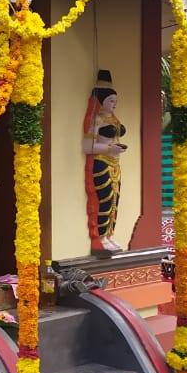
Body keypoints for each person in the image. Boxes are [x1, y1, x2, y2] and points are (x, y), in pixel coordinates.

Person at [82, 68, 127, 253]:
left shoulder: (114, 119)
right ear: (101, 101)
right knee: (105, 200)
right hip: (101, 163)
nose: (114, 104)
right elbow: (87, 147)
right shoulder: (96, 120)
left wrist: (116, 148)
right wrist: (109, 149)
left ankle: (109, 235)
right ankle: (100, 237)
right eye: (110, 100)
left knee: (115, 201)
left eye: (115, 100)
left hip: (115, 163)